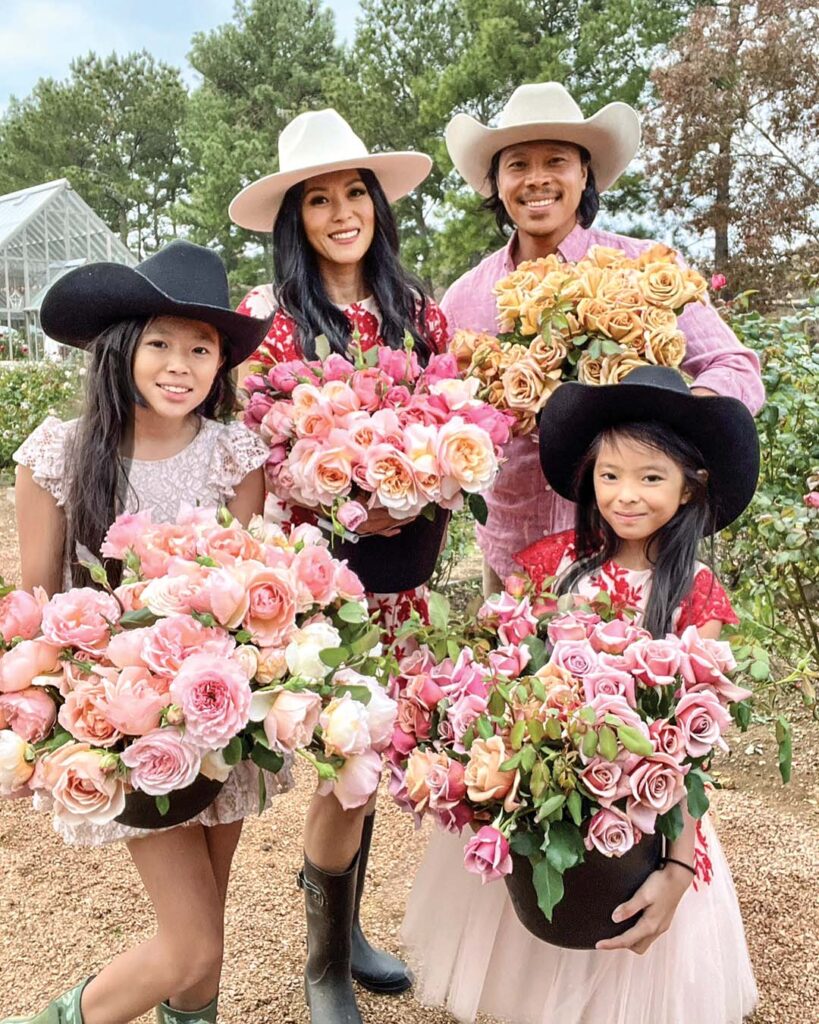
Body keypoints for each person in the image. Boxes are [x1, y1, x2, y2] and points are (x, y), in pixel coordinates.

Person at [401, 365, 760, 1024]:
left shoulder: (696, 593)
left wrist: (678, 866)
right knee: (535, 954)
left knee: (620, 961)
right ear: (589, 478)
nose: (626, 495)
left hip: (647, 810)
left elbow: (691, 746)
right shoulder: (549, 566)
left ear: (687, 489)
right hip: (542, 798)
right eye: (610, 474)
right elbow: (496, 674)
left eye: (650, 477)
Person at [3, 241, 283, 1024]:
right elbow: (36, 608)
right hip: (123, 722)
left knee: (208, 935)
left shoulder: (234, 452)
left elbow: (246, 590)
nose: (180, 364)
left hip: (219, 711)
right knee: (189, 945)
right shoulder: (58, 453)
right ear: (122, 344)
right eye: (161, 341)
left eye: (202, 348)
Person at [228, 108, 448, 1023]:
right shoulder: (268, 324)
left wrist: (425, 468)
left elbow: (458, 423)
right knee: (343, 763)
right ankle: (323, 967)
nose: (340, 211)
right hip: (326, 587)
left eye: (352, 191)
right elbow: (249, 449)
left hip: (408, 578)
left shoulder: (419, 311)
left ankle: (346, 931)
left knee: (373, 769)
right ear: (296, 219)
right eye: (317, 199)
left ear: (375, 205)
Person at [440, 81, 765, 594]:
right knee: (514, 674)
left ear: (584, 172)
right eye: (518, 164)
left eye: (556, 161)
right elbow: (444, 409)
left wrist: (679, 410)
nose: (537, 180)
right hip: (511, 553)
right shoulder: (464, 298)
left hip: (634, 553)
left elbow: (735, 364)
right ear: (497, 181)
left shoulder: (645, 269)